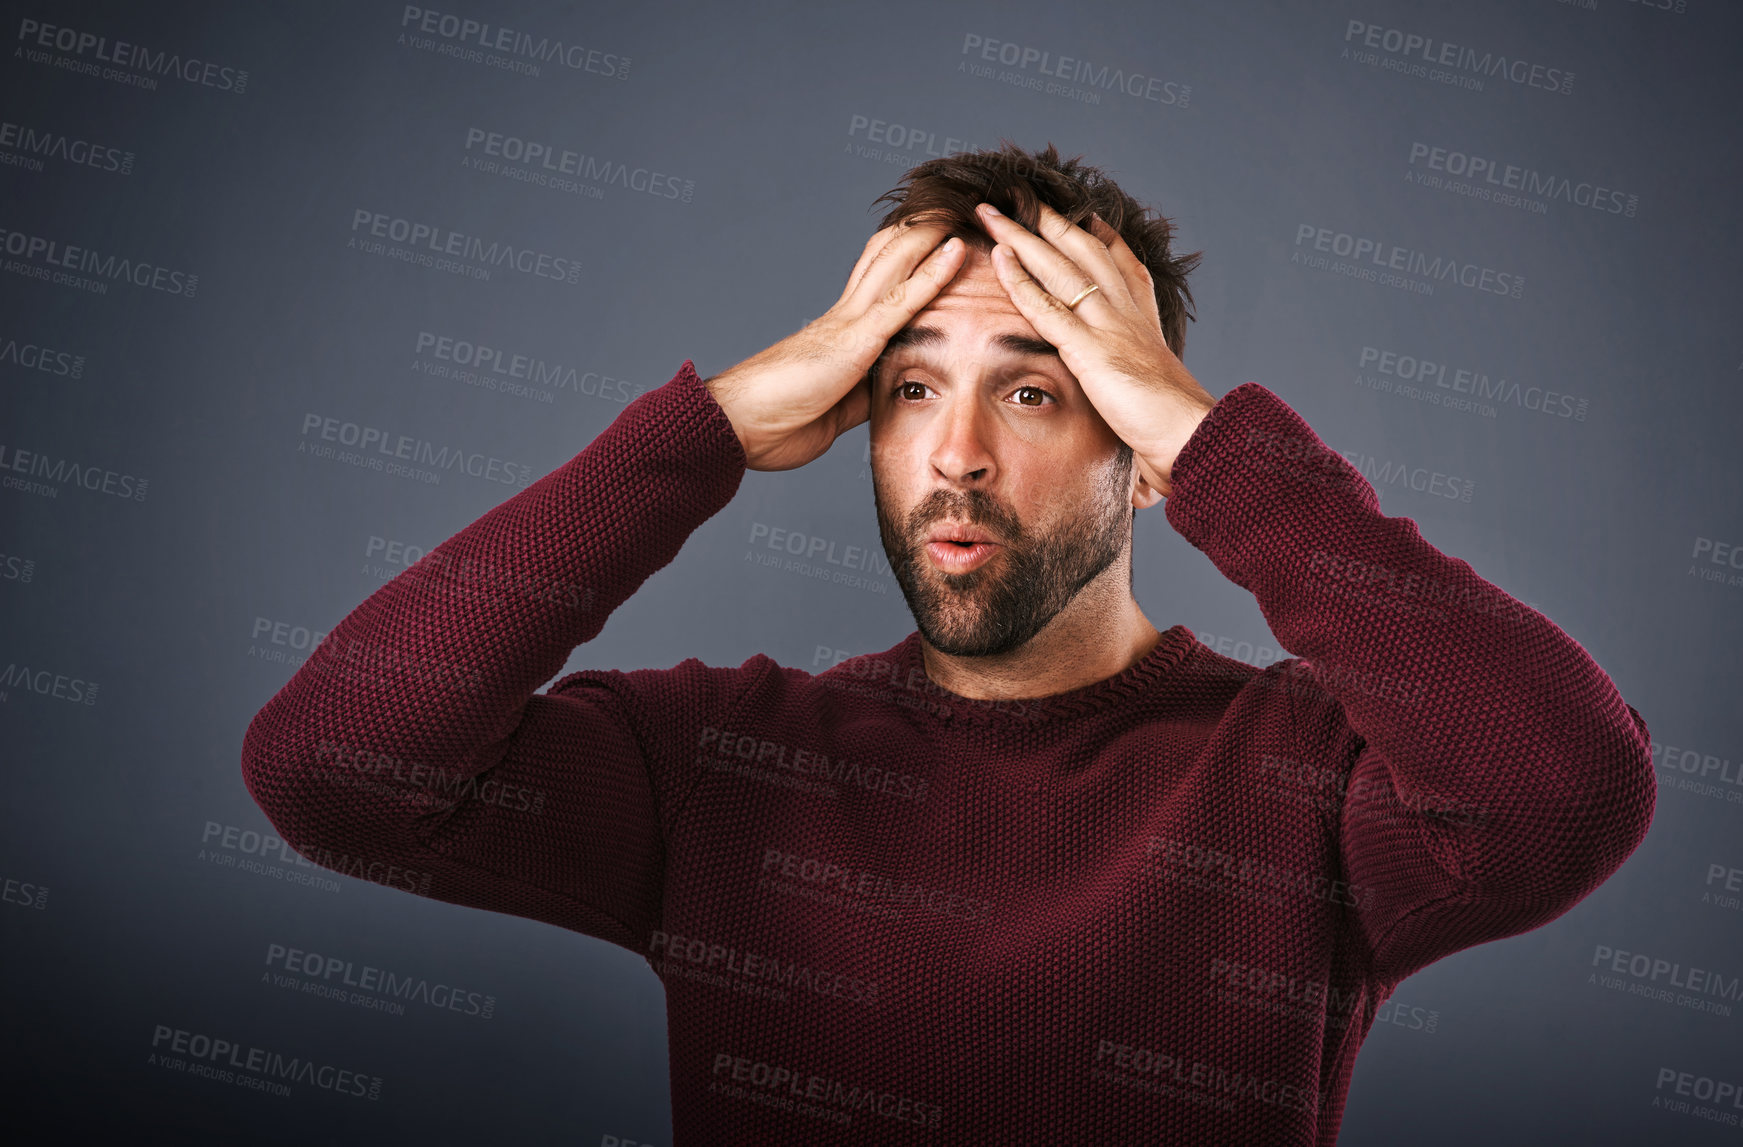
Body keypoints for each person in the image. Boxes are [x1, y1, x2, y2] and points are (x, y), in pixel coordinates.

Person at [242, 141, 1655, 1145]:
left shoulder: (1305, 775)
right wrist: (704, 431)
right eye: (911, 387)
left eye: (1035, 393)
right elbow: (330, 770)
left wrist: (1222, 447)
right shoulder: (723, 762)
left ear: (1141, 445)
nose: (957, 455)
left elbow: (1568, 791)